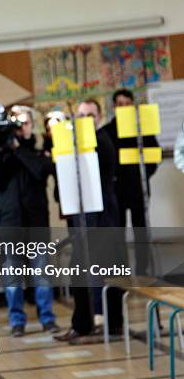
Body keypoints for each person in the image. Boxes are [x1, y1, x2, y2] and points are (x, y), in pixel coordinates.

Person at [0, 106, 59, 337]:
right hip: (8, 225)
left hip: (36, 224)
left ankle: (47, 319)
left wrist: (17, 150)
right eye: (17, 123)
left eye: (26, 123)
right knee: (12, 277)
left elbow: (40, 171)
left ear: (31, 126)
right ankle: (17, 321)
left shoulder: (40, 150)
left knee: (42, 275)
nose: (21, 128)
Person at [55, 99, 124, 345]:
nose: (85, 120)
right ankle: (82, 324)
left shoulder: (102, 141)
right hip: (82, 221)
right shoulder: (79, 145)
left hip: (101, 221)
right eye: (81, 116)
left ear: (99, 117)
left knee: (101, 274)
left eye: (90, 115)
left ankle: (106, 323)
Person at [104, 89, 159, 275]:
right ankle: (122, 269)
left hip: (138, 189)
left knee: (141, 231)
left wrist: (143, 176)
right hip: (116, 191)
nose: (124, 107)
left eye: (127, 104)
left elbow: (153, 156)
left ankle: (143, 270)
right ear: (114, 107)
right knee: (117, 232)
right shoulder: (107, 131)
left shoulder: (142, 128)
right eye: (120, 104)